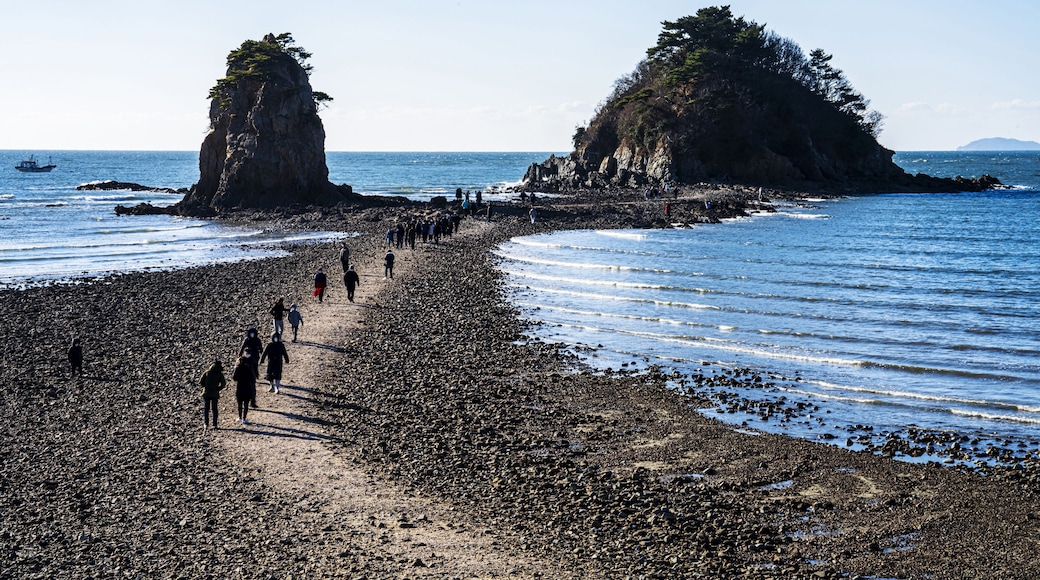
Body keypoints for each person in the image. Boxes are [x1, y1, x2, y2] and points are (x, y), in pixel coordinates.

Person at [238, 328, 262, 409]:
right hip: (247, 359)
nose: (252, 335)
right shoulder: (246, 340)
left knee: (252, 385)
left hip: (255, 357)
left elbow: (260, 347)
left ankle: (253, 401)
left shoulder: (257, 340)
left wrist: (262, 354)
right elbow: (242, 347)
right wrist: (240, 354)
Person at [199, 359, 226, 429]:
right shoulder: (220, 374)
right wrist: (218, 389)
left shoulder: (207, 372)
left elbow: (201, 382)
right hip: (214, 394)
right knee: (214, 409)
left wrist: (205, 387)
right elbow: (223, 384)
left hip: (206, 393)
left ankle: (206, 424)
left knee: (206, 409)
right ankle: (215, 424)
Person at [232, 356, 256, 425]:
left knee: (239, 405)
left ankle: (239, 417)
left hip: (240, 388)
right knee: (246, 405)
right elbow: (253, 378)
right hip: (248, 388)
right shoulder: (248, 368)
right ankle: (244, 418)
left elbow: (234, 378)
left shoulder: (238, 368)